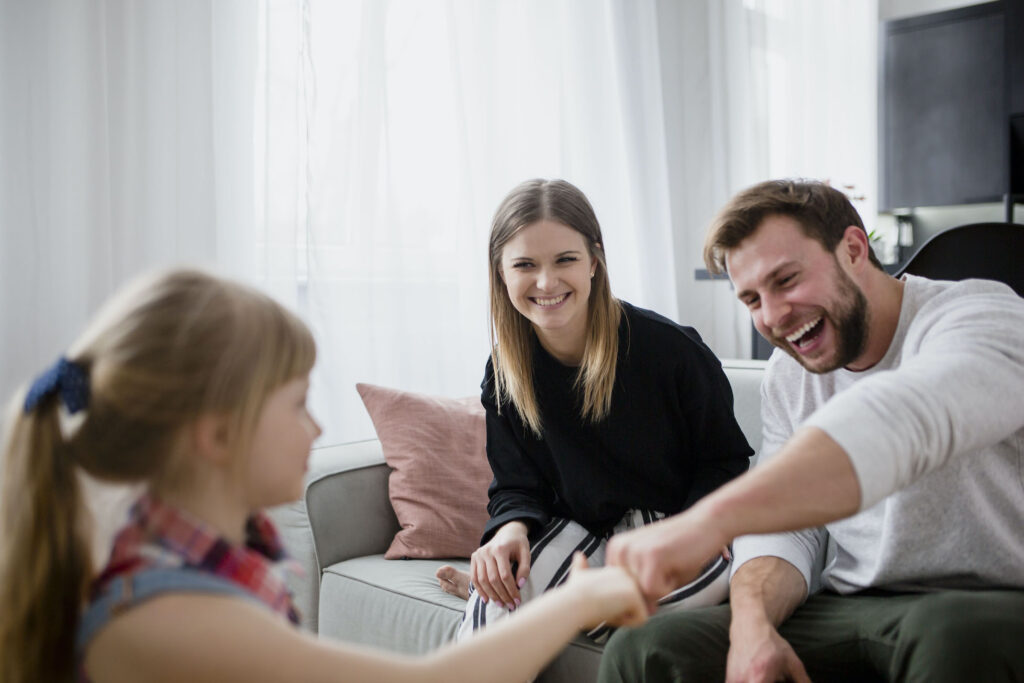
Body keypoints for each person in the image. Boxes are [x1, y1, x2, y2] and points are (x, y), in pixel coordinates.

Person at [0, 268, 649, 683]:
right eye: (297, 403)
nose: (316, 429)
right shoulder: (162, 612)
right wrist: (578, 599)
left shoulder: (214, 552)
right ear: (218, 434)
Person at [598, 179, 1024, 682]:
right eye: (752, 299)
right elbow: (783, 531)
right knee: (648, 647)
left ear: (853, 249)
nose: (774, 316)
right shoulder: (790, 373)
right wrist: (752, 628)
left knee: (957, 635)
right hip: (853, 606)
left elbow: (903, 419)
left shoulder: (982, 316)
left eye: (786, 280)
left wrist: (705, 522)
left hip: (988, 602)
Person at [435, 178, 753, 643]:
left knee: (645, 616)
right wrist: (508, 531)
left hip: (677, 528)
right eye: (524, 264)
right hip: (578, 530)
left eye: (565, 259)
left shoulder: (671, 350)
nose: (546, 282)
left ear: (594, 262)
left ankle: (549, 598)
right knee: (495, 599)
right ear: (501, 273)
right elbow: (517, 484)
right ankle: (525, 596)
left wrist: (696, 531)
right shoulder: (505, 371)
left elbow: (725, 459)